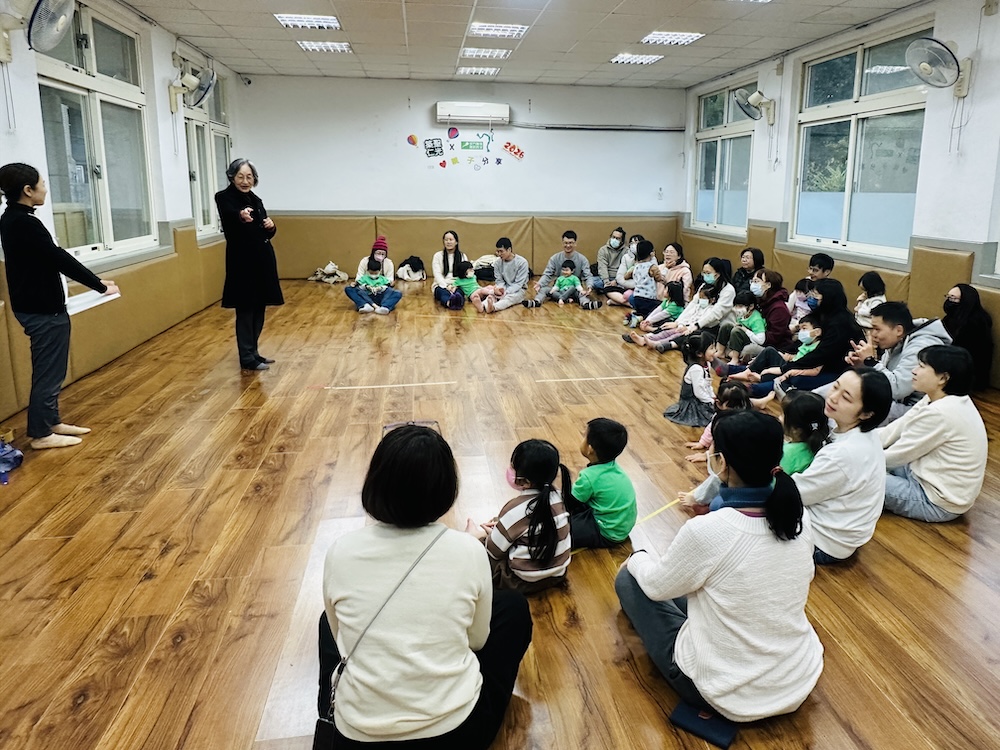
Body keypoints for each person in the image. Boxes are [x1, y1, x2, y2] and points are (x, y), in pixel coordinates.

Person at [319, 425, 532, 747]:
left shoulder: (340, 551)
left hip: (357, 737)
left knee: (327, 620)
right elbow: (476, 640)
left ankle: (326, 714)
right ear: (446, 488)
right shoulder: (468, 550)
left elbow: (341, 641)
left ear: (375, 482)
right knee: (513, 608)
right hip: (456, 734)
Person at [616, 409, 824, 723]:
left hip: (721, 691)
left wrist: (638, 557)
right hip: (797, 676)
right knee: (700, 587)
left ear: (721, 463)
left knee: (629, 580)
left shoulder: (709, 529)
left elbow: (657, 587)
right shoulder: (798, 516)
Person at [0, 162, 120, 450]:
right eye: (42, 184)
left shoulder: (15, 219)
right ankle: (41, 434)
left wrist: (96, 283)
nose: (45, 189)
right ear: (28, 190)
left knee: (53, 370)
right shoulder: (23, 222)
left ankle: (50, 422)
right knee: (49, 373)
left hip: (40, 306)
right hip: (42, 310)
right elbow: (58, 258)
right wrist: (99, 285)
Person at [792, 367, 892, 564]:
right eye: (835, 386)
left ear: (866, 413)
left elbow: (794, 494)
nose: (833, 397)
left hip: (823, 543)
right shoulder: (864, 433)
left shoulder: (843, 454)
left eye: (846, 397)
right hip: (843, 536)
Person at [879, 346, 987, 522]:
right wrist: (859, 441)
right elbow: (898, 427)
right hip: (922, 475)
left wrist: (853, 458)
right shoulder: (940, 398)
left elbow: (898, 455)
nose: (914, 371)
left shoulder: (941, 413)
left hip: (935, 502)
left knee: (857, 477)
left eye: (921, 366)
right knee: (863, 463)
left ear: (943, 378)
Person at [466, 439, 572, 592]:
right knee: (504, 525)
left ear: (526, 482)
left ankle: (474, 535)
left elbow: (494, 552)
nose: (509, 470)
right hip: (558, 574)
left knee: (477, 551)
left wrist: (481, 538)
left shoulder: (514, 509)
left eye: (512, 467)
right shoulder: (558, 498)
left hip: (521, 581)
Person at [216, 158, 283, 371]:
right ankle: (246, 357)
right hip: (242, 263)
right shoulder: (224, 198)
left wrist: (271, 227)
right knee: (245, 309)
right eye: (240, 177)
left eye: (249, 177)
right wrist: (240, 216)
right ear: (232, 177)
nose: (245, 181)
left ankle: (254, 352)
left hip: (262, 260)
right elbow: (230, 218)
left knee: (259, 307)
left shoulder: (256, 199)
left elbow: (264, 232)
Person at [839, 301, 952, 423]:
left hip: (919, 409)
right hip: (897, 402)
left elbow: (897, 389)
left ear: (898, 330)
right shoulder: (897, 341)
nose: (872, 334)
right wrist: (862, 365)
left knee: (857, 406)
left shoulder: (922, 346)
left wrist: (870, 361)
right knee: (840, 391)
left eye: (877, 329)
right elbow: (883, 377)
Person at [566, 418, 637, 548]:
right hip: (621, 526)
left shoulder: (589, 477)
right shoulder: (614, 467)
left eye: (584, 436)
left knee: (560, 530)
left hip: (606, 532)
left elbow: (569, 503)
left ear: (590, 449)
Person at [523, 230, 601, 309]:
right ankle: (536, 302)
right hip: (558, 290)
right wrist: (540, 284)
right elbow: (548, 274)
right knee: (543, 290)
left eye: (570, 243)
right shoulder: (555, 258)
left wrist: (589, 286)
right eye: (565, 243)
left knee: (582, 293)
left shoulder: (582, 259)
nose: (568, 245)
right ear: (562, 243)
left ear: (575, 243)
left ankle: (586, 304)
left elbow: (588, 275)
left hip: (574, 290)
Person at [942, 283, 994, 390]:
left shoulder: (976, 322)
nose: (949, 302)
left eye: (953, 298)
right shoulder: (952, 318)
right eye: (948, 297)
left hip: (968, 375)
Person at [683, 381, 751, 463]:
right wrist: (703, 442)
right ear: (719, 404)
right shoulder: (720, 418)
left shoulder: (745, 421)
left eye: (742, 406)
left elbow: (729, 445)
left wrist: (708, 455)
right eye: (732, 406)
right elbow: (711, 428)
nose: (738, 410)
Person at [664, 331, 717, 428]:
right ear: (699, 353)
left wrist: (712, 396)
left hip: (701, 399)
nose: (715, 351)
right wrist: (711, 401)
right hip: (692, 403)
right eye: (711, 348)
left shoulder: (707, 364)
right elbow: (698, 392)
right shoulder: (696, 369)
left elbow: (707, 384)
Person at [470, 237, 529, 313]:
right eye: (498, 251)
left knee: (509, 298)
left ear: (509, 250)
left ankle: (494, 307)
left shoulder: (522, 262)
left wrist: (506, 292)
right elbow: (499, 280)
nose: (499, 254)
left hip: (518, 290)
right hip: (503, 288)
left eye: (501, 251)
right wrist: (500, 290)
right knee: (492, 295)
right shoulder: (497, 263)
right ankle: (482, 306)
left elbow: (518, 284)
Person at [345, 238, 403, 315]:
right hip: (366, 292)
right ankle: (365, 305)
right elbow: (359, 279)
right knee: (349, 289)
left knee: (397, 293)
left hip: (381, 293)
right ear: (373, 252)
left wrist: (380, 287)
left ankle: (385, 307)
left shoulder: (389, 263)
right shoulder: (364, 261)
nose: (380, 256)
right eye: (378, 253)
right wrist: (366, 286)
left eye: (383, 254)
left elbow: (389, 281)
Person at [779, 390, 830, 476]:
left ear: (796, 430)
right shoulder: (824, 445)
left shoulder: (786, 453)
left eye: (782, 414)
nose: (779, 417)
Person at [718, 291, 765, 365]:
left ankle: (735, 359)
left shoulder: (756, 319)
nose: (737, 309)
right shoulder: (742, 315)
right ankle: (720, 352)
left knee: (736, 331)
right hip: (740, 340)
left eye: (740, 306)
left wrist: (745, 330)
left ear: (751, 306)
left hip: (751, 342)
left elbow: (761, 341)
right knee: (726, 326)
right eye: (736, 306)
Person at [623, 240, 663, 318]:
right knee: (658, 309)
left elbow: (626, 276)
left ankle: (634, 316)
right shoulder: (652, 267)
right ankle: (640, 318)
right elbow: (659, 278)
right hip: (649, 299)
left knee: (640, 311)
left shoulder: (636, 266)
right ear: (651, 253)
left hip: (636, 297)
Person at [431, 230, 468, 307]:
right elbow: (437, 274)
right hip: (441, 284)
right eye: (446, 240)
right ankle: (449, 303)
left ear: (456, 242)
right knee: (443, 293)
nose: (448, 242)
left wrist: (456, 286)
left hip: (458, 284)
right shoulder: (438, 256)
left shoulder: (462, 256)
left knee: (459, 293)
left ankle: (458, 303)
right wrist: (446, 286)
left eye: (451, 240)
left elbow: (465, 274)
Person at [594, 226, 630, 304]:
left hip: (619, 279)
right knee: (594, 282)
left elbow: (626, 269)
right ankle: (613, 291)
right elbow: (602, 267)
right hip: (606, 278)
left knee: (628, 284)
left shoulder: (627, 251)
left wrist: (616, 281)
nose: (615, 240)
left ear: (622, 241)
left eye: (618, 238)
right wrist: (606, 282)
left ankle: (609, 292)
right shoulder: (603, 250)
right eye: (613, 237)